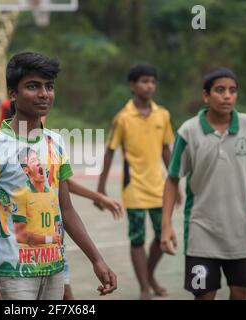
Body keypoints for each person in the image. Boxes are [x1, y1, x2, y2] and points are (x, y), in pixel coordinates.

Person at [0, 52, 117, 300]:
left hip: (53, 271)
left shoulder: (56, 142)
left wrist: (97, 259)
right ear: (13, 93)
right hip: (12, 275)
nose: (44, 94)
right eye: (33, 86)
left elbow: (67, 210)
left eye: (49, 86)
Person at [161, 67, 246, 300]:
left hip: (240, 233)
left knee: (241, 294)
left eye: (232, 91)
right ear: (206, 95)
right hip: (200, 234)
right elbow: (172, 179)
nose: (227, 96)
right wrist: (166, 225)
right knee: (204, 296)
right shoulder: (189, 131)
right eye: (220, 90)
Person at [97, 63, 179, 299]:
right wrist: (101, 188)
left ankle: (149, 274)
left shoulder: (163, 115)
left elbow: (166, 150)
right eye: (144, 81)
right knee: (137, 238)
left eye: (153, 81)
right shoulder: (122, 118)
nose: (149, 85)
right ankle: (144, 286)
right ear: (133, 85)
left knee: (162, 235)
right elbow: (110, 151)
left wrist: (176, 185)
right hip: (132, 189)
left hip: (159, 187)